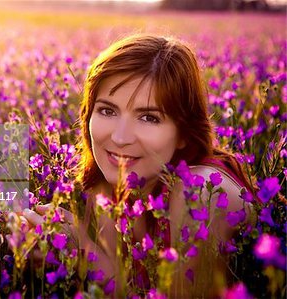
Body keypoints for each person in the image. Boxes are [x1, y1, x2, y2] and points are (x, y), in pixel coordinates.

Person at [23, 34, 255, 298]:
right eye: (107, 111)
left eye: (149, 117)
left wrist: (83, 251)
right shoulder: (108, 188)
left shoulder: (201, 194)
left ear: (184, 133)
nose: (121, 137)